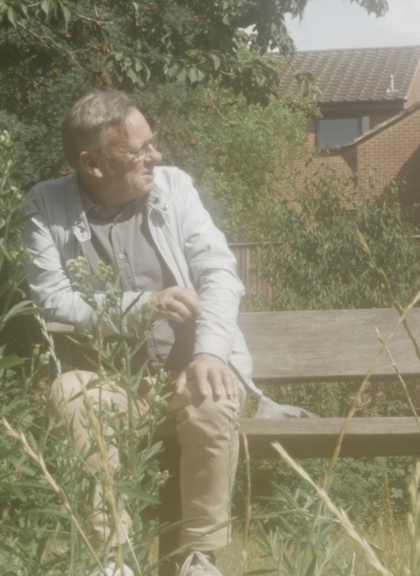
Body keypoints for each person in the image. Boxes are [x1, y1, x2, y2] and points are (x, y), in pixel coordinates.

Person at [23, 91, 259, 576]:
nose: (155, 156)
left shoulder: (175, 188)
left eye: (154, 143)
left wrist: (211, 352)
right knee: (72, 395)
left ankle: (199, 557)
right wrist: (142, 306)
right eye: (138, 149)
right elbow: (53, 298)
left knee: (212, 398)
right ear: (93, 163)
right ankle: (112, 559)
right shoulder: (44, 206)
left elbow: (219, 273)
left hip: (184, 372)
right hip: (106, 377)